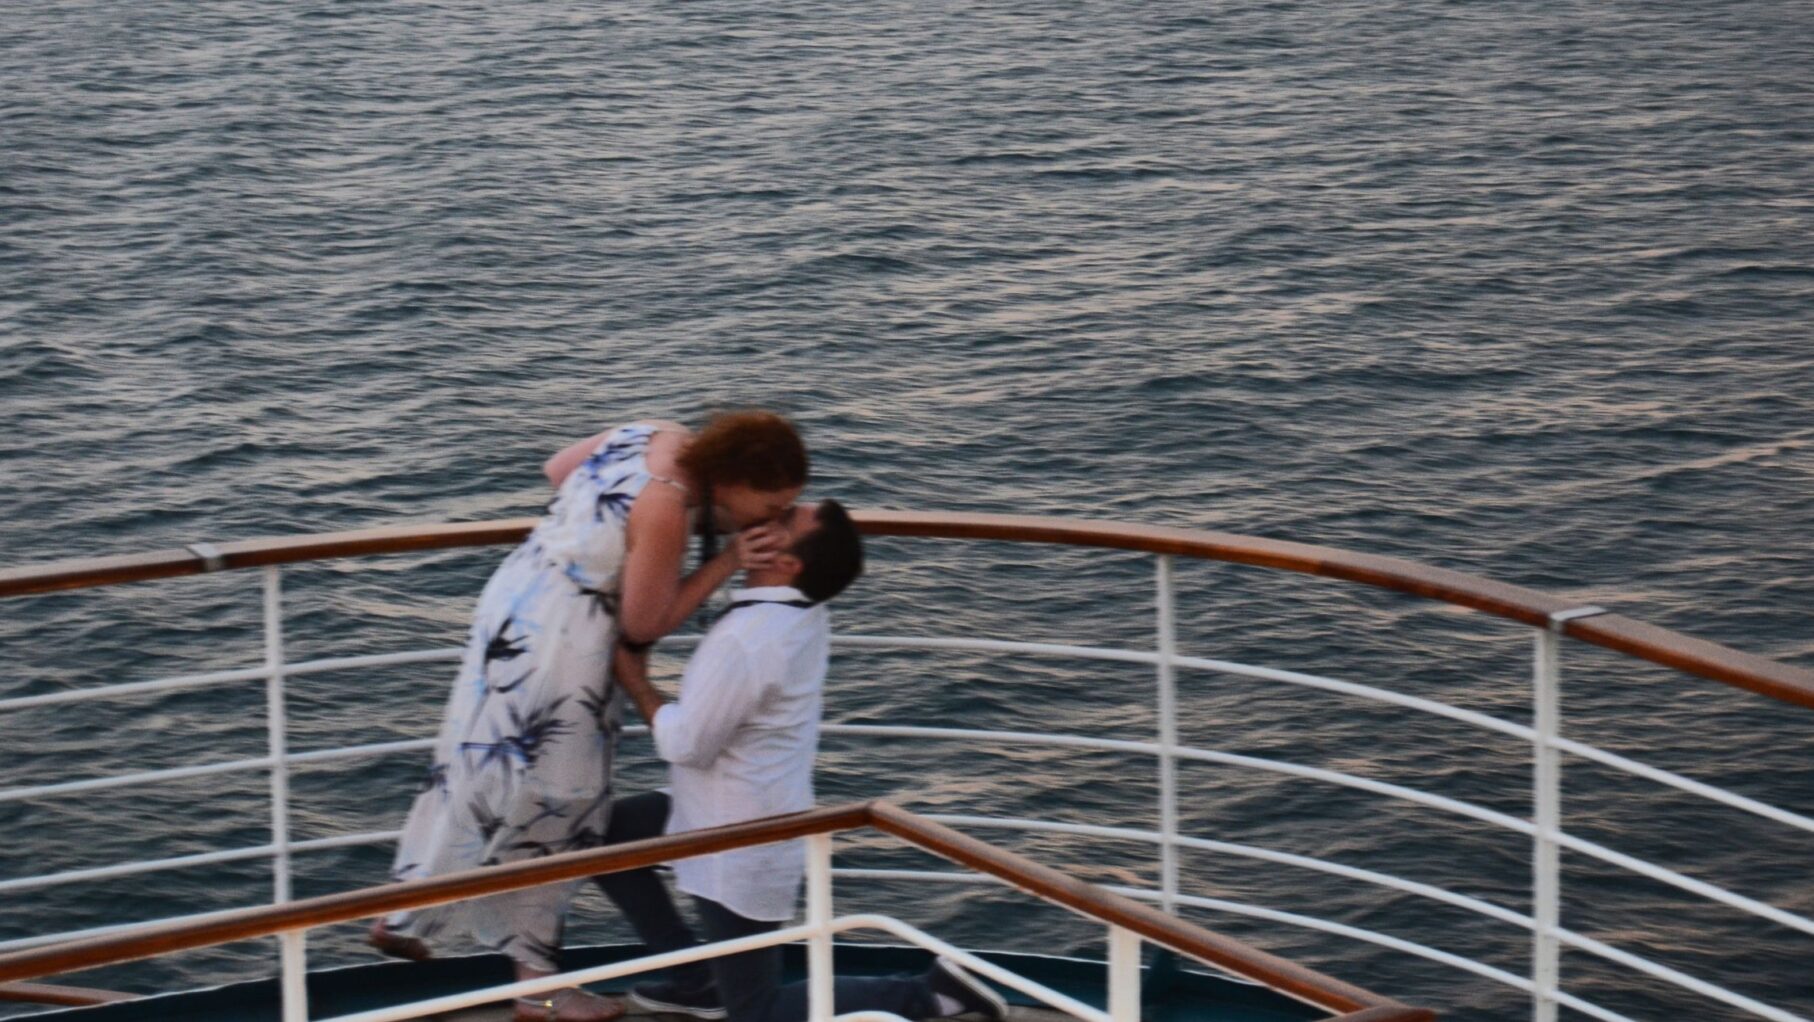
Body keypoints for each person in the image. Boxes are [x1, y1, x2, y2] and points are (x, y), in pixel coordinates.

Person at [370, 411, 810, 1022]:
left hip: (517, 606)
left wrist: (595, 540)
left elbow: (559, 470)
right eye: (770, 503)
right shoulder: (667, 506)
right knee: (562, 812)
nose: (772, 519)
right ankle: (541, 991)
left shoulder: (654, 432)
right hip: (566, 652)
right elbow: (642, 625)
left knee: (476, 770)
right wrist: (726, 561)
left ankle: (403, 907)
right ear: (735, 478)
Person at [597, 499, 1007, 1022]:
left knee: (758, 1013)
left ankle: (929, 992)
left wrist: (633, 676)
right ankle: (699, 978)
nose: (772, 513)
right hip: (725, 806)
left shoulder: (749, 641)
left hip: (736, 839)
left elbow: (684, 745)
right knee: (605, 838)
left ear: (789, 564)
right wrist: (725, 559)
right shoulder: (799, 610)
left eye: (785, 521)